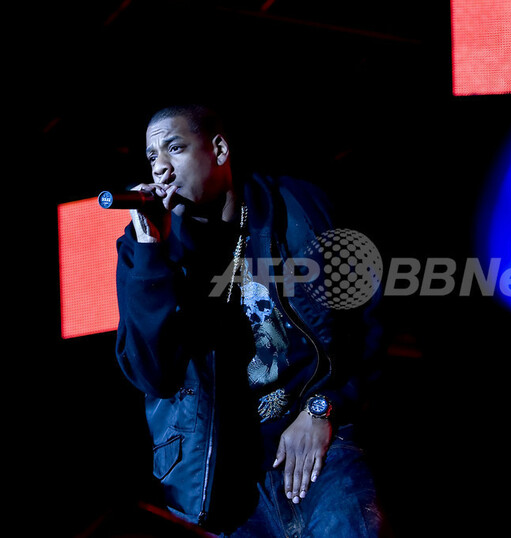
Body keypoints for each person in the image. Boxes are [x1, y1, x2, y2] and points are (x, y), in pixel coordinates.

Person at [114, 103, 384, 536]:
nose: (160, 168)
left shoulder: (295, 208)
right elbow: (153, 375)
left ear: (219, 149)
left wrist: (323, 407)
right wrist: (150, 256)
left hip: (319, 441)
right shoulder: (143, 249)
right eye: (151, 157)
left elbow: (367, 323)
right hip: (228, 479)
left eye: (175, 148)